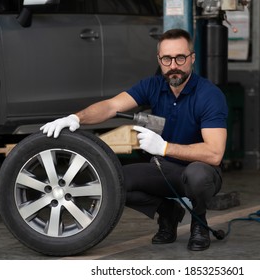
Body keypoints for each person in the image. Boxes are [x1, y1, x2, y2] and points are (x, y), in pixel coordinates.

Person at [41, 28, 228, 251]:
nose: (173, 65)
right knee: (113, 180)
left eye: (180, 57)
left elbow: (215, 153)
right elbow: (111, 106)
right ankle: (168, 212)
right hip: (165, 170)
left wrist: (164, 147)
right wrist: (75, 117)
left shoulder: (209, 95)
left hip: (202, 171)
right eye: (167, 59)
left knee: (197, 175)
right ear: (159, 59)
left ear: (192, 58)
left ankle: (200, 222)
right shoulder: (152, 86)